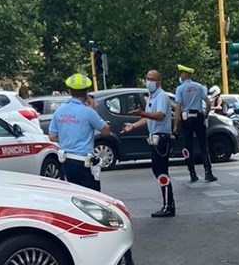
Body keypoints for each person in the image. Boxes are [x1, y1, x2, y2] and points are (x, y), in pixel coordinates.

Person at [122, 70, 175, 217]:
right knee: (158, 170)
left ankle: (168, 205)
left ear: (159, 82)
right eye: (147, 78)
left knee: (161, 171)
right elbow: (148, 118)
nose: (149, 81)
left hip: (161, 138)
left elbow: (160, 115)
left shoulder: (161, 96)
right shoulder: (152, 96)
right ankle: (168, 204)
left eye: (152, 79)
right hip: (154, 138)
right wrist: (133, 126)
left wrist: (143, 113)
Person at [49, 74, 110, 191]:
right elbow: (106, 131)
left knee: (74, 194)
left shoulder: (59, 111)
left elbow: (52, 136)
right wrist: (93, 109)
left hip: (66, 161)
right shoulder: (88, 112)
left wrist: (68, 136)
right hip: (84, 162)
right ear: (86, 93)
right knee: (91, 196)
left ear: (69, 91)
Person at [174, 65, 216, 182]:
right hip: (198, 117)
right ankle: (208, 172)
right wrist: (205, 115)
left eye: (181, 74)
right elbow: (208, 103)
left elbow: (178, 107)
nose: (180, 76)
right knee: (203, 145)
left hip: (186, 119)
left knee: (188, 147)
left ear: (185, 75)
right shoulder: (199, 87)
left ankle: (192, 173)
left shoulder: (180, 89)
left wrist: (176, 125)